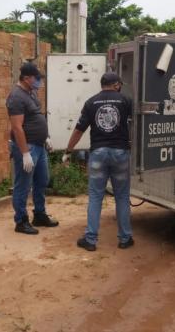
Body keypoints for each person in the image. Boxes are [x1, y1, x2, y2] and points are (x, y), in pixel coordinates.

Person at [63, 72, 133, 251]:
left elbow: (79, 130)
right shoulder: (125, 101)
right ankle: (125, 239)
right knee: (122, 197)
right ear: (116, 84)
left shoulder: (91, 102)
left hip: (98, 153)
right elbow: (137, 124)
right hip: (120, 152)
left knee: (95, 197)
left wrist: (68, 151)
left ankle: (91, 240)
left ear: (102, 84)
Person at [6, 62, 59, 234]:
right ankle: (21, 221)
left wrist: (46, 136)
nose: (39, 81)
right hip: (27, 148)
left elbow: (37, 117)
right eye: (36, 78)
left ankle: (39, 214)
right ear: (27, 78)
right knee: (23, 185)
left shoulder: (31, 93)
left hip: (39, 145)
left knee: (42, 180)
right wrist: (24, 153)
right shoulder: (16, 97)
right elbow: (17, 127)